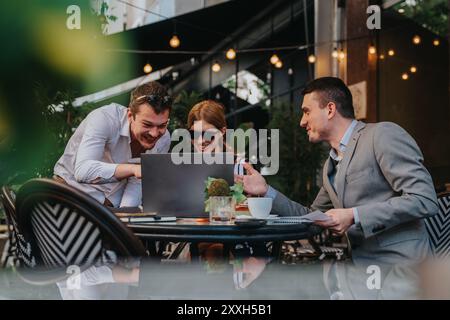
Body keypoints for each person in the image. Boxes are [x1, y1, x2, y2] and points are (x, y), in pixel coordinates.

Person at [236, 77, 439, 298]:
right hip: (363, 275)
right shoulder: (329, 166)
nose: (302, 122)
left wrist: (354, 215)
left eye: (306, 111)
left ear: (330, 109)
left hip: (403, 270)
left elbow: (424, 199)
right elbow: (311, 219)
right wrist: (267, 191)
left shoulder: (381, 135)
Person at [53, 81, 172, 208]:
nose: (154, 134)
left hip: (109, 209)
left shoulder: (164, 139)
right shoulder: (105, 118)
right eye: (147, 125)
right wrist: (133, 169)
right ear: (130, 115)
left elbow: (137, 183)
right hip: (69, 194)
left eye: (162, 125)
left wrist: (126, 217)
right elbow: (83, 171)